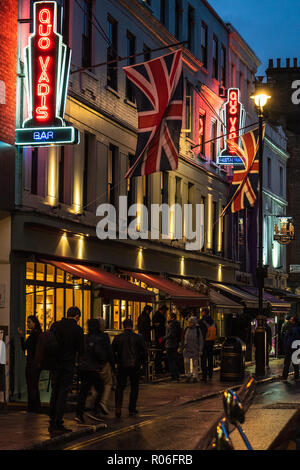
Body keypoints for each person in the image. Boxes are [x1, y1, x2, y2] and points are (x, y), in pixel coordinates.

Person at [48, 306, 84, 435]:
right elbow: (81, 349)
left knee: (55, 391)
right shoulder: (78, 330)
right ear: (77, 316)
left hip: (54, 363)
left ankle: (52, 420)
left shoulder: (55, 326)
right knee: (63, 393)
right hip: (68, 364)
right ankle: (58, 421)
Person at [75, 318, 113, 423]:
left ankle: (79, 414)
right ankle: (95, 409)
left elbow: (79, 352)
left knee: (83, 391)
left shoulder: (84, 337)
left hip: (83, 367)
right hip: (92, 368)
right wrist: (102, 362)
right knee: (100, 387)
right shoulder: (99, 338)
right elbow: (100, 353)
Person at [112, 318, 147, 418]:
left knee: (120, 387)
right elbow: (144, 352)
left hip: (122, 365)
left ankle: (118, 408)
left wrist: (115, 363)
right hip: (135, 366)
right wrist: (141, 363)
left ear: (123, 326)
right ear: (132, 326)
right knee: (134, 387)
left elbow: (112, 352)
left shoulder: (118, 337)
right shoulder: (138, 337)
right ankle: (131, 409)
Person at [17, 316, 42, 413]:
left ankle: (32, 408)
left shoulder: (34, 335)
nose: (27, 324)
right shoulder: (39, 334)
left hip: (32, 362)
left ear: (34, 323)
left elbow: (24, 347)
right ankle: (36, 407)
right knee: (34, 385)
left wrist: (21, 336)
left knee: (31, 385)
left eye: (29, 322)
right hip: (37, 363)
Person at [97, 317, 115, 415]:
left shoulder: (89, 336)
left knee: (94, 385)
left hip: (92, 365)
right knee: (108, 383)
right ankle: (103, 402)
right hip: (104, 364)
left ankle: (94, 403)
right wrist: (112, 365)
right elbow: (109, 351)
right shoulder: (104, 336)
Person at [183, 316, 203, 383]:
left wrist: (200, 350)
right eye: (189, 322)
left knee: (195, 363)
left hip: (195, 348)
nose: (189, 323)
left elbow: (200, 340)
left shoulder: (197, 329)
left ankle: (195, 376)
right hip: (187, 348)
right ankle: (188, 375)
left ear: (194, 323)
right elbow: (183, 338)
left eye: (191, 322)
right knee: (187, 362)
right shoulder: (186, 329)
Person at [164, 312, 182, 382]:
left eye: (169, 316)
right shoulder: (176, 324)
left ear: (172, 317)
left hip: (170, 344)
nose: (167, 317)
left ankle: (174, 375)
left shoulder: (171, 325)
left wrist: (163, 338)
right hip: (175, 344)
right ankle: (176, 375)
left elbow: (171, 334)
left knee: (171, 360)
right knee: (174, 360)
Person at [281, 316, 300, 381]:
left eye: (291, 320)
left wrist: (286, 346)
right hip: (295, 347)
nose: (290, 320)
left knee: (287, 363)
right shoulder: (296, 328)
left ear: (294, 321)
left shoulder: (292, 329)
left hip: (290, 347)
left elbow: (288, 338)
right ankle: (296, 377)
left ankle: (284, 377)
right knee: (295, 363)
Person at [199, 312, 217, 381]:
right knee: (210, 358)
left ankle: (204, 375)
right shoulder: (213, 321)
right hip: (211, 342)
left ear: (203, 312)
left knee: (203, 359)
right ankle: (210, 374)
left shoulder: (201, 321)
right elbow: (216, 332)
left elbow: (201, 333)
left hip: (204, 342)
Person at [152, 305, 168, 374]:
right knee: (159, 352)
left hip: (160, 336)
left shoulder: (158, 315)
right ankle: (158, 368)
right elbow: (157, 325)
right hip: (160, 337)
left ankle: (159, 368)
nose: (165, 312)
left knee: (160, 352)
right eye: (165, 310)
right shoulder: (158, 315)